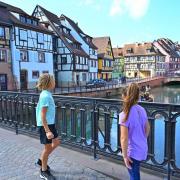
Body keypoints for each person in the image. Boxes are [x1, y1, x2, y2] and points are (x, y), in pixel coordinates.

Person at [119, 83, 150, 180]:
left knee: (134, 175)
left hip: (132, 152)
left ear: (124, 96)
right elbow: (148, 128)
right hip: (142, 148)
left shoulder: (124, 114)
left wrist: (124, 156)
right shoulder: (142, 110)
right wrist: (141, 139)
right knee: (136, 172)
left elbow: (124, 138)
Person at [36, 73, 60, 180]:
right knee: (48, 148)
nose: (55, 82)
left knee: (56, 142)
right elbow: (42, 115)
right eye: (53, 80)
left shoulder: (46, 93)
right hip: (46, 125)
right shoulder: (45, 96)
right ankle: (43, 170)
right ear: (49, 82)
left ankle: (41, 160)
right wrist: (47, 131)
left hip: (50, 124)